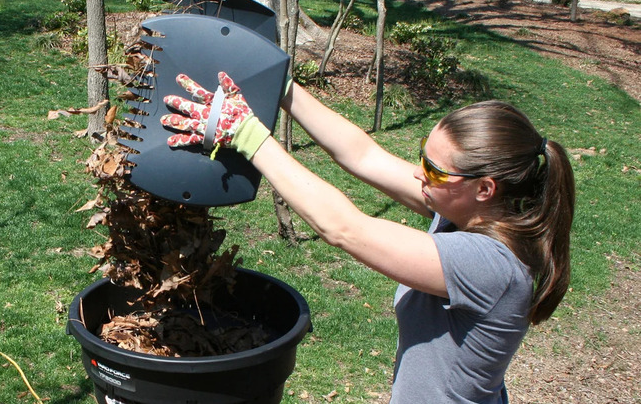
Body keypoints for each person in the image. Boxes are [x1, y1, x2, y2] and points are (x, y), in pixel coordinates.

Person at [160, 72, 575, 403]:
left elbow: (343, 228)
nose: (417, 174)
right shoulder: (464, 211)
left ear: (485, 187)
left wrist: (250, 138)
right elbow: (362, 154)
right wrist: (281, 83)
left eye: (433, 170)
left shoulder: (489, 264)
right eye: (422, 157)